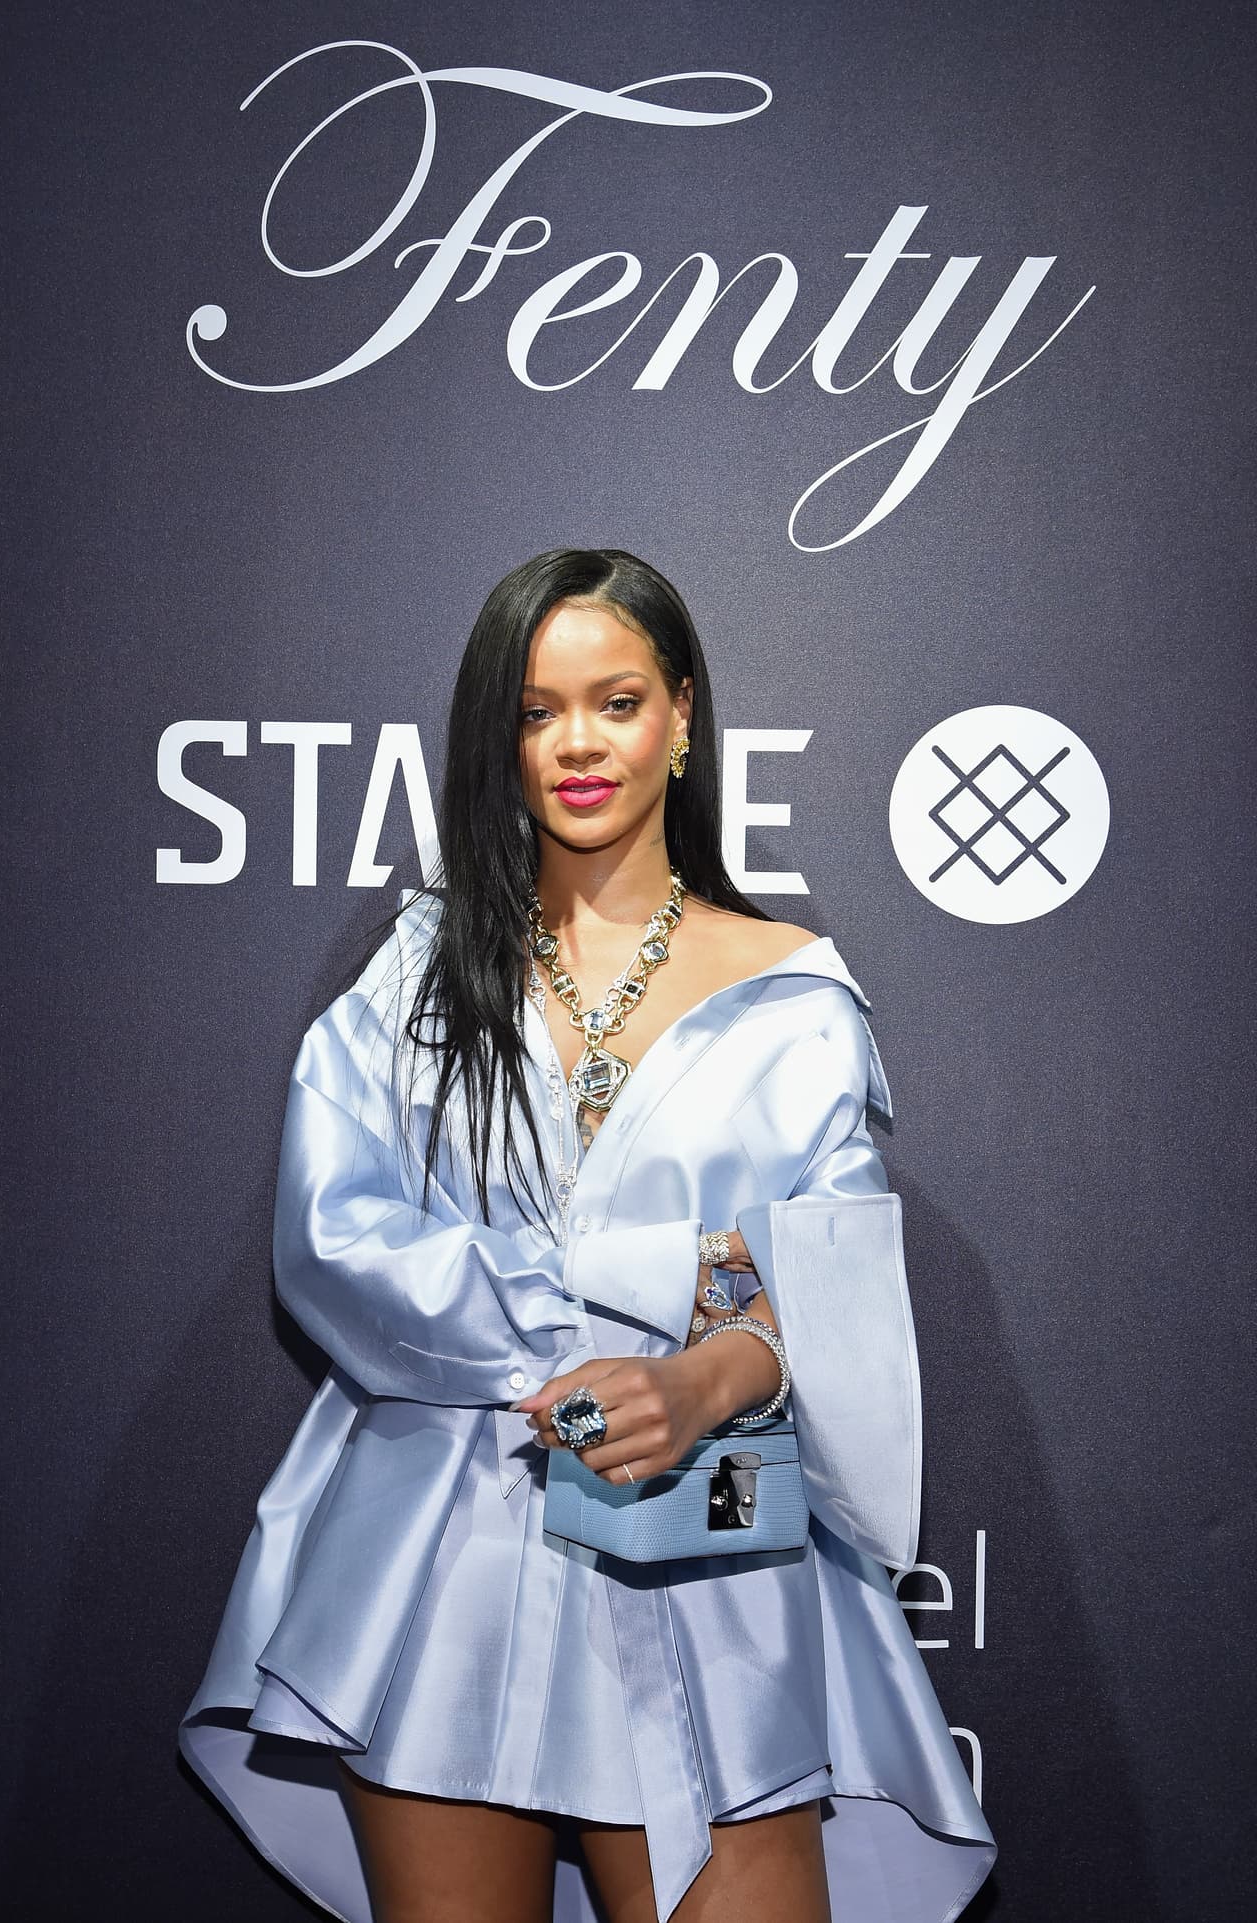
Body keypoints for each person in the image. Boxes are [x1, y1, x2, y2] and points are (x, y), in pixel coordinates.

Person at [179, 547, 997, 1923]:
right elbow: (334, 1241)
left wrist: (699, 1379)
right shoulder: (418, 974)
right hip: (447, 1554)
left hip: (708, 1550)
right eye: (536, 710)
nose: (576, 743)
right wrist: (625, 1297)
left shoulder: (795, 999)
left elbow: (817, 1284)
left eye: (615, 701)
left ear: (681, 714)